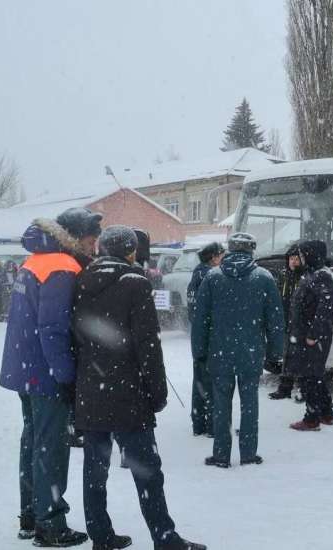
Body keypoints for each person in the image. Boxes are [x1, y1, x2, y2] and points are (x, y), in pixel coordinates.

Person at [73, 225, 206, 550]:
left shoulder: (81, 280)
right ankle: (164, 537)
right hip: (127, 393)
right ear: (131, 251)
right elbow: (148, 345)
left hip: (90, 390)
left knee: (95, 471)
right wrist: (157, 393)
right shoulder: (135, 283)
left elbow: (75, 339)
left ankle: (101, 536)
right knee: (147, 471)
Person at [0, 207, 102, 547]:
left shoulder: (38, 259)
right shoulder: (61, 265)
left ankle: (31, 515)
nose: (94, 246)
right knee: (51, 448)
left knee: (33, 442)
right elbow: (53, 328)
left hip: (26, 368)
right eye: (91, 239)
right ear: (76, 236)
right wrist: (66, 375)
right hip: (46, 372)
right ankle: (51, 524)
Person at [192, 232, 284, 468]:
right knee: (250, 403)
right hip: (251, 351)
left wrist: (199, 351)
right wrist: (276, 352)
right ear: (251, 250)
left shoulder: (212, 277)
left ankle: (221, 454)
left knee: (221, 404)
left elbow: (201, 319)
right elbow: (275, 320)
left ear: (230, 249)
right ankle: (248, 454)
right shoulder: (264, 277)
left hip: (219, 351)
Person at [288, 240, 333, 431]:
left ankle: (311, 419)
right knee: (315, 374)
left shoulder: (323, 276)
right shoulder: (312, 273)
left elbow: (325, 310)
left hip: (315, 335)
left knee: (311, 376)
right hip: (307, 332)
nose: (300, 258)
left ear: (311, 255)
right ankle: (326, 413)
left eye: (303, 255)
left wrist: (313, 334)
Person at [187, 242, 225, 437]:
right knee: (212, 382)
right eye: (221, 255)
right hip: (211, 337)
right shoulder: (211, 277)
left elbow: (193, 311)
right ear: (213, 258)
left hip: (198, 336)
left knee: (200, 382)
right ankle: (212, 425)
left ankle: (199, 423)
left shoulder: (196, 276)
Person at [268, 243, 306, 401]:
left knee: (303, 358)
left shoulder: (305, 278)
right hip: (286, 322)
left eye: (297, 259)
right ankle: (285, 388)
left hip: (301, 324)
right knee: (287, 357)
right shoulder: (283, 276)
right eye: (291, 259)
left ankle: (304, 389)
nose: (293, 262)